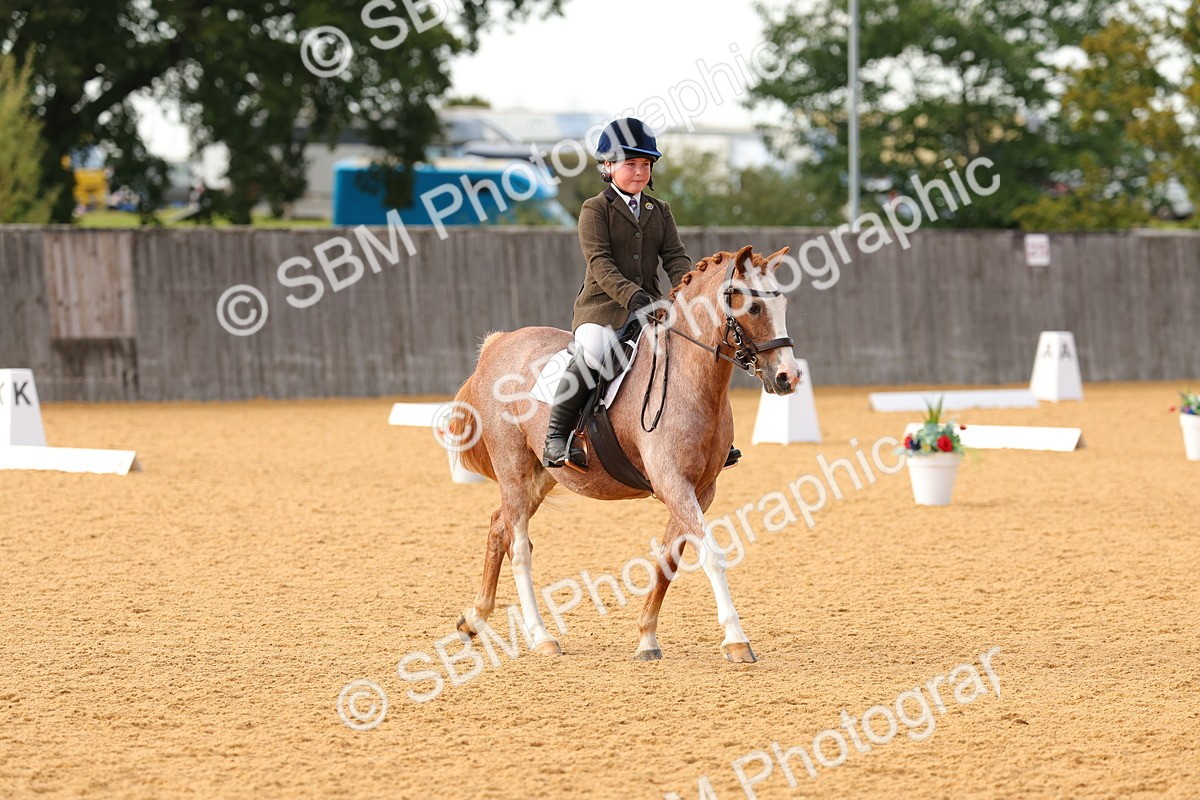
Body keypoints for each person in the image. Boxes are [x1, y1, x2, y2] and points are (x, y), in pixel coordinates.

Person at [541, 117, 693, 470]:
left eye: (645, 164)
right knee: (594, 352)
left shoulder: (660, 211)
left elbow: (675, 257)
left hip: (652, 309)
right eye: (631, 164)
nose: (639, 172)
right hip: (604, 309)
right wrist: (634, 297)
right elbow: (600, 264)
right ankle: (556, 435)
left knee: (688, 354)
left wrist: (688, 292)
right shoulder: (595, 209)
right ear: (608, 166)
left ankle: (709, 437)